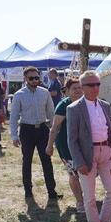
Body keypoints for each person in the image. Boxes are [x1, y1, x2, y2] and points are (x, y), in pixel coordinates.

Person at [66, 72, 111, 222]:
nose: (96, 88)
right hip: (86, 155)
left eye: (97, 84)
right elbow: (72, 139)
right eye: (91, 85)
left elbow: (109, 129)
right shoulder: (73, 108)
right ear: (82, 88)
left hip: (106, 152)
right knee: (89, 196)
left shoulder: (105, 105)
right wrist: (79, 161)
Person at [10, 66, 61, 200]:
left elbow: (51, 113)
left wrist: (54, 131)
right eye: (31, 78)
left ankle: (52, 191)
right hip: (26, 130)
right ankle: (28, 191)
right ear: (25, 79)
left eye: (36, 77)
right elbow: (14, 116)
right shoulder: (19, 95)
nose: (34, 80)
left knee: (46, 161)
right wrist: (14, 135)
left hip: (43, 130)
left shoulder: (45, 93)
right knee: (27, 161)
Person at [46, 78, 85, 214]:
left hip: (84, 146)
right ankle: (80, 201)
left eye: (80, 87)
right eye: (74, 89)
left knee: (85, 172)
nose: (78, 91)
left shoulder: (87, 103)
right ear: (67, 91)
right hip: (66, 146)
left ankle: (86, 198)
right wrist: (49, 145)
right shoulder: (63, 105)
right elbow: (55, 127)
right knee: (74, 174)